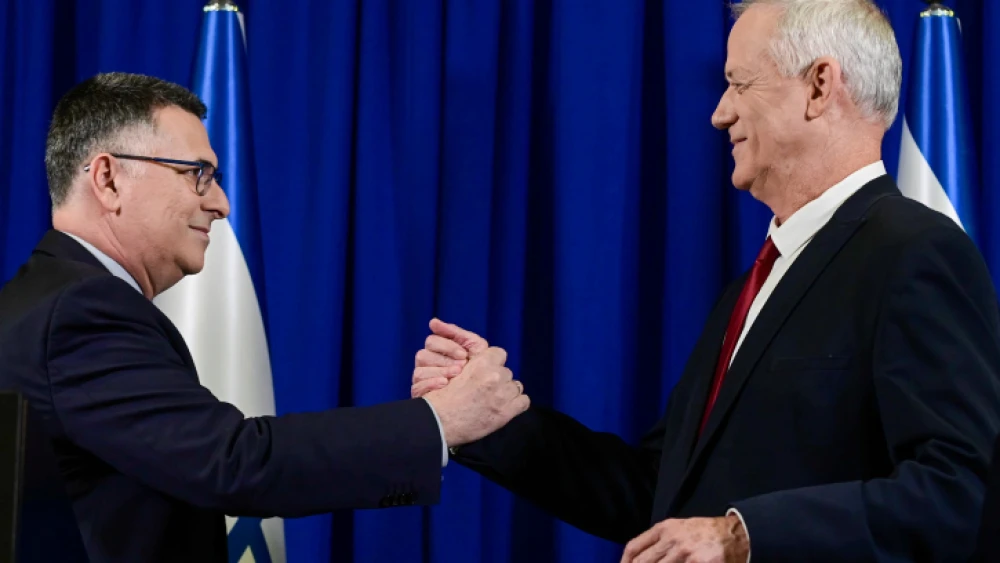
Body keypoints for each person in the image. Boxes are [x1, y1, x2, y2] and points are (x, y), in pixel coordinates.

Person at [412, 1, 1000, 561]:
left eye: (740, 84)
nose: (721, 112)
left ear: (820, 86)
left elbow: (960, 493)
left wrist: (746, 538)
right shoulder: (757, 283)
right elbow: (662, 491)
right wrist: (491, 424)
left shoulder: (915, 251)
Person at [0, 72, 529, 563]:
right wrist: (440, 420)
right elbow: (236, 465)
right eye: (198, 175)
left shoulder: (47, 300)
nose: (222, 204)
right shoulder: (81, 310)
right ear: (109, 179)